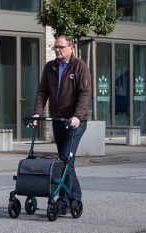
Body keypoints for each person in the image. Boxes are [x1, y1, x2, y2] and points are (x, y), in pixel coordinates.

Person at [31, 35, 91, 216]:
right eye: (55, 46)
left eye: (61, 47)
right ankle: (75, 196)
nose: (57, 50)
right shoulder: (50, 67)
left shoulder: (79, 65)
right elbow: (42, 92)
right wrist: (37, 113)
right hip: (58, 120)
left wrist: (77, 116)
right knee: (66, 161)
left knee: (66, 159)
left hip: (75, 122)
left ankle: (64, 201)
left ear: (71, 47)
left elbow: (84, 94)